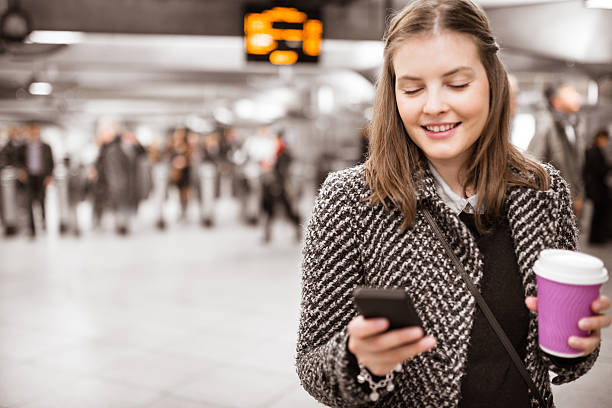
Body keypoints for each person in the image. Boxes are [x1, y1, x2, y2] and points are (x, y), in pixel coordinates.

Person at [296, 1, 611, 407]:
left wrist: (580, 343)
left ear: (493, 82)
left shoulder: (542, 193)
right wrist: (357, 360)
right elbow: (312, 364)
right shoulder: (350, 201)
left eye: (457, 84)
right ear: (392, 94)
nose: (433, 106)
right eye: (411, 88)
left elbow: (562, 364)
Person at [527, 82, 585, 218]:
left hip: (569, 204)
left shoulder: (571, 125)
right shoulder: (547, 125)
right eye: (571, 92)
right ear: (556, 101)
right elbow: (533, 167)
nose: (577, 96)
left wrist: (577, 195)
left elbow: (575, 168)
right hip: (552, 208)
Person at [17, 123, 54, 237]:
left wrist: (49, 176)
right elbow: (19, 161)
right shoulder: (23, 147)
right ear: (29, 134)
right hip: (29, 177)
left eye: (36, 132)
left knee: (42, 201)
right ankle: (32, 228)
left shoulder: (46, 147)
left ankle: (43, 223)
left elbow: (51, 162)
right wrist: (21, 171)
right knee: (29, 203)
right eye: (32, 133)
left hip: (41, 177)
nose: (34, 135)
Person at [583, 129, 611, 244]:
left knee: (599, 213)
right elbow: (597, 169)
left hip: (597, 187)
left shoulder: (594, 150)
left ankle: (598, 237)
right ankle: (596, 238)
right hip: (596, 187)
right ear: (600, 137)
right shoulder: (594, 150)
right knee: (598, 213)